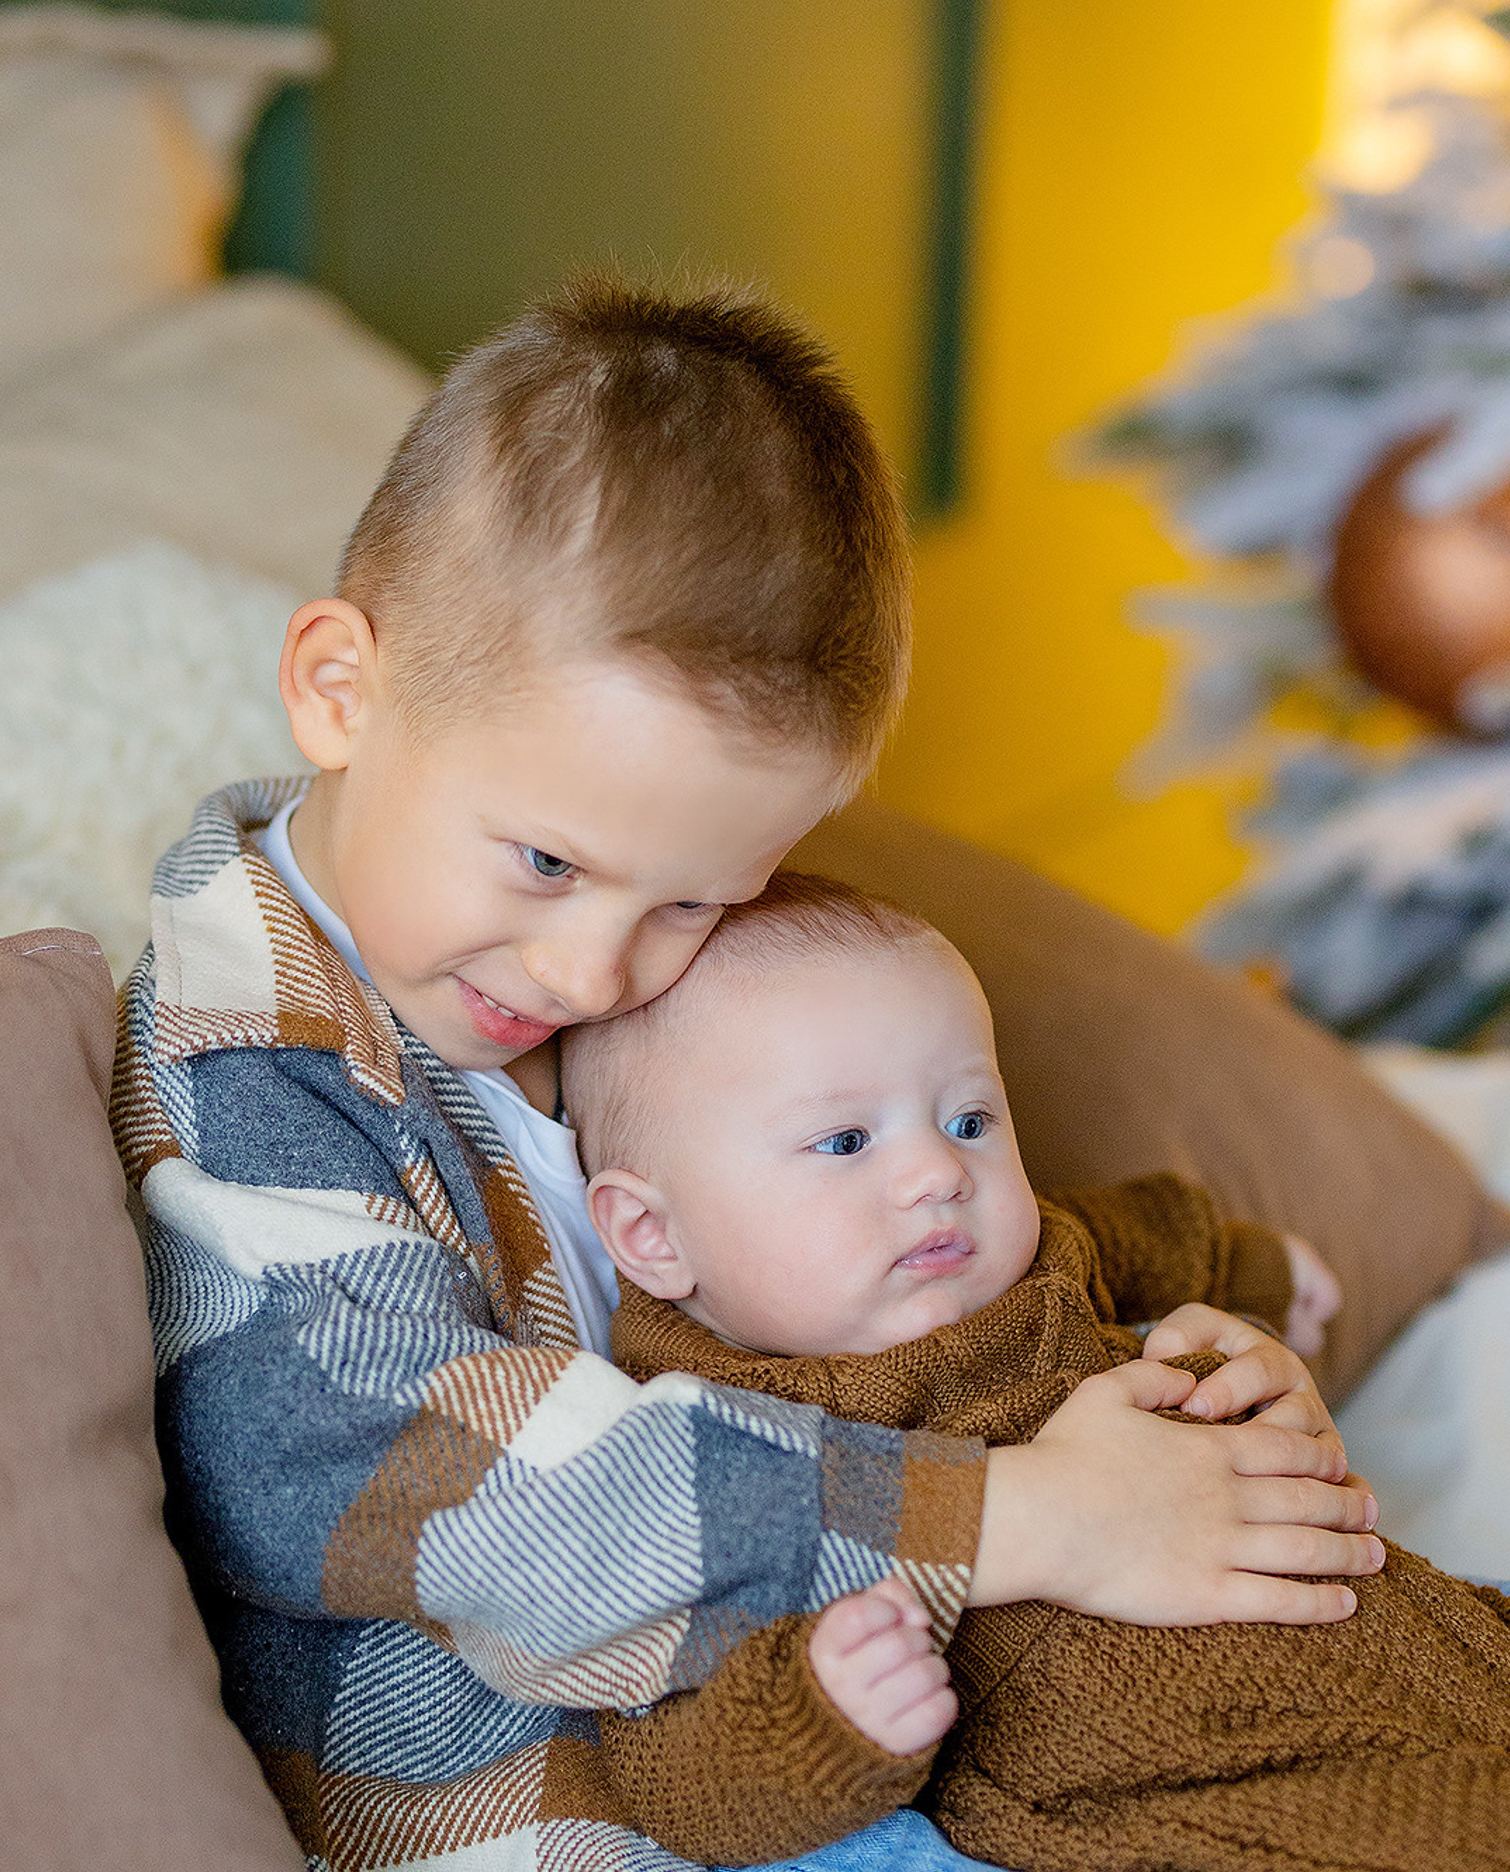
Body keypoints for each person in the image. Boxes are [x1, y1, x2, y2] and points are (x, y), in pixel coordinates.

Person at [112, 276, 1380, 1872]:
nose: (591, 974)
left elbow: (878, 1194)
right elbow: (442, 1485)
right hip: (542, 1813)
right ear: (340, 690)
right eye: (548, 859)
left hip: (855, 1711)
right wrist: (1030, 1518)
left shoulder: (539, 966)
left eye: (696, 898)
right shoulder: (251, 1088)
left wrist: (1203, 1329)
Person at [561, 872, 1510, 1872]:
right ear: (653, 1236)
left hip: (1466, 1658)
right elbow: (680, 1773)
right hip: (1259, 1781)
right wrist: (834, 1716)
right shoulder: (733, 1452)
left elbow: (1153, 1235)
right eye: (843, 1141)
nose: (938, 1172)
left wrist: (1259, 1277)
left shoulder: (1036, 1258)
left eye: (970, 1118)